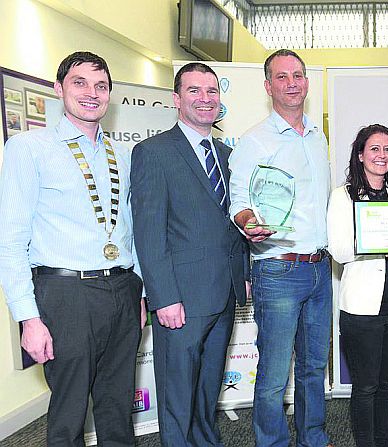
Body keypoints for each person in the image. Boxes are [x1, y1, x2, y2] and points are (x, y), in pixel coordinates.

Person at [0, 51, 145, 446]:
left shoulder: (124, 155)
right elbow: (9, 240)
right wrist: (28, 319)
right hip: (65, 294)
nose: (91, 93)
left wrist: (141, 290)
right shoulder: (28, 148)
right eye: (79, 82)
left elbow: (131, 228)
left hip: (121, 288)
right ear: (58, 88)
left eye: (101, 85)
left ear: (110, 94)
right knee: (68, 411)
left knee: (117, 406)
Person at [131, 62, 248, 446]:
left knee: (206, 391)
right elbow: (148, 232)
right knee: (178, 396)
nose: (205, 99)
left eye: (212, 91)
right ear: (177, 99)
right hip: (180, 299)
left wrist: (243, 274)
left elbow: (234, 223)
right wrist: (163, 297)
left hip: (225, 294)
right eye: (194, 91)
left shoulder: (229, 155)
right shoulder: (153, 152)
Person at [228, 49, 333, 447]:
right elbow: (238, 201)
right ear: (268, 85)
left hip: (319, 269)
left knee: (313, 367)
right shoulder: (255, 140)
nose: (292, 83)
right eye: (282, 76)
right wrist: (249, 223)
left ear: (307, 81)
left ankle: (313, 438)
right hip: (277, 268)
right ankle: (271, 442)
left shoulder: (317, 136)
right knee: (274, 374)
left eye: (299, 75)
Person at [327, 124, 388, 447]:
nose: (382, 155)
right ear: (361, 154)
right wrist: (379, 245)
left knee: (387, 384)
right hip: (362, 309)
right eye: (375, 149)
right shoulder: (343, 196)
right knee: (365, 387)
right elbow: (338, 250)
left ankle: (384, 442)